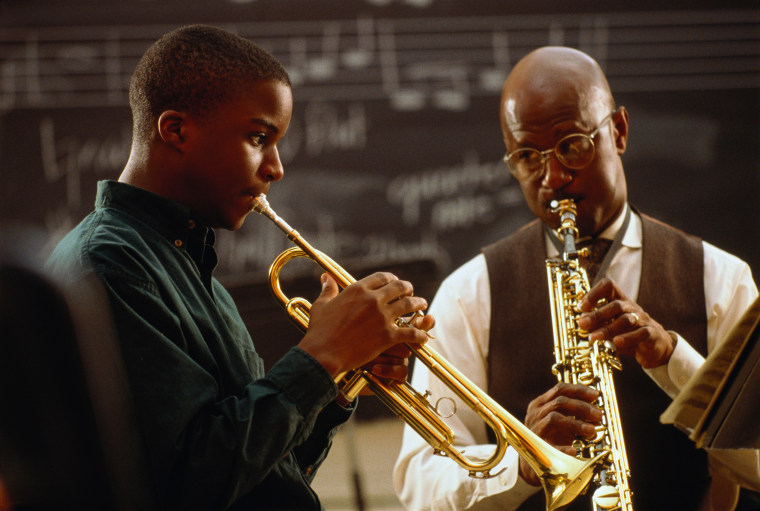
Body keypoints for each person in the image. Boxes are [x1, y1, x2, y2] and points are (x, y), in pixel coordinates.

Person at [44, 24, 433, 511]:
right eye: (258, 137)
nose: (276, 167)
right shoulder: (109, 264)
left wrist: (338, 379)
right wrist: (321, 355)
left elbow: (262, 479)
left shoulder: (187, 264)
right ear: (176, 130)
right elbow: (186, 485)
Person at [393, 46, 760, 511]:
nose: (554, 177)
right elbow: (419, 482)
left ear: (619, 131)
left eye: (572, 145)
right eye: (528, 156)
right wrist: (521, 462)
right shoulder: (469, 294)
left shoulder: (721, 277)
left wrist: (674, 361)